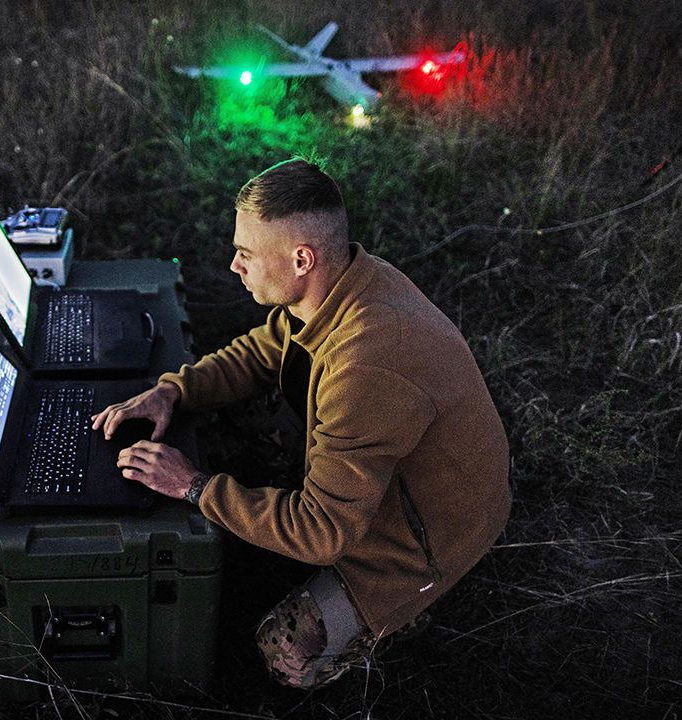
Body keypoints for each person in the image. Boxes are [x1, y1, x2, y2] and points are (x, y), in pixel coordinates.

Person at [90, 158, 510, 689]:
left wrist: (191, 486)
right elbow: (263, 351)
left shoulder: (365, 367)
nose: (233, 266)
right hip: (386, 481)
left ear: (301, 258)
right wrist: (174, 391)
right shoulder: (342, 284)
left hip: (425, 540)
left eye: (245, 253)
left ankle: (407, 613)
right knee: (230, 435)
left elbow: (322, 533)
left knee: (282, 652)